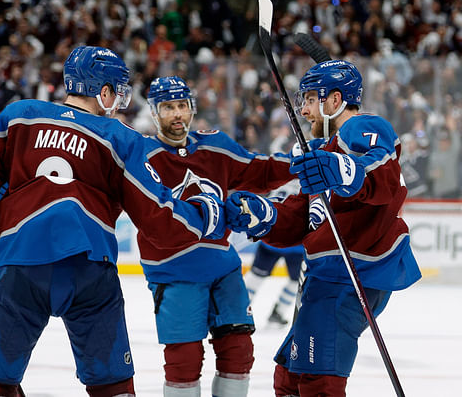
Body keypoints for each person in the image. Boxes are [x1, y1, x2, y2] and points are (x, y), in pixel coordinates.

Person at [0, 46, 256, 397]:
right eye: (117, 90)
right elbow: (159, 219)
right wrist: (209, 215)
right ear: (104, 92)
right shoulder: (119, 137)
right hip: (89, 268)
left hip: (20, 263)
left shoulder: (19, 116)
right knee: (112, 385)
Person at [236, 59, 422, 396]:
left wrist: (345, 169)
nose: (303, 111)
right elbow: (302, 216)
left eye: (308, 99)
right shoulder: (325, 152)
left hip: (350, 274)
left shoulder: (361, 128)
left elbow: (382, 173)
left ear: (334, 101)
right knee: (288, 377)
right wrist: (263, 216)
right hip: (326, 275)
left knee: (318, 384)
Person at [140, 76, 293, 396]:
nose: (177, 114)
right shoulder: (142, 156)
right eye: (168, 107)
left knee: (239, 352)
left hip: (222, 266)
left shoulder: (214, 145)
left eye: (182, 105)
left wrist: (299, 165)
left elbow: (259, 170)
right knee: (184, 360)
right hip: (173, 271)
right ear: (155, 113)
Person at [242, 181, 305, 326]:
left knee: (255, 277)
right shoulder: (308, 186)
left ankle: (239, 310)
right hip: (295, 245)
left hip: (271, 240)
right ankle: (279, 312)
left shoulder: (279, 181)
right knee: (297, 281)